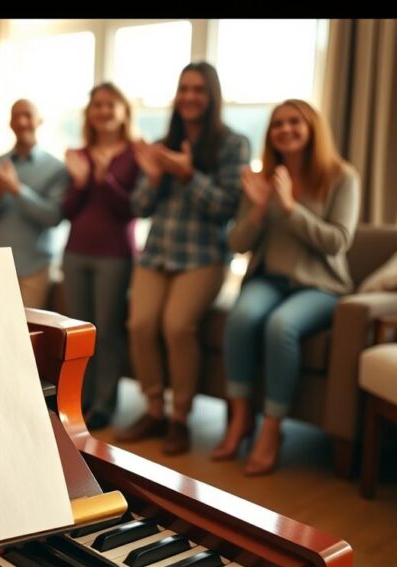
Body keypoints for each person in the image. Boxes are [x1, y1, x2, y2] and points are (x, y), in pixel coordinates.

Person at [213, 100, 360, 475]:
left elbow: (337, 242)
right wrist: (261, 208)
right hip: (269, 280)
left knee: (282, 326)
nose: (285, 129)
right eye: (277, 123)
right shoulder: (260, 179)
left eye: (294, 122)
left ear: (311, 127)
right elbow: (237, 244)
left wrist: (292, 208)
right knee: (241, 318)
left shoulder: (342, 177)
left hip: (321, 287)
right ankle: (241, 419)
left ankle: (272, 428)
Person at [115, 62, 250, 455]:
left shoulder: (233, 145)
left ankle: (180, 418)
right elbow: (139, 207)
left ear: (211, 97)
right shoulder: (163, 143)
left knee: (176, 326)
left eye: (198, 90)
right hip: (157, 254)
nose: (190, 97)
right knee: (139, 324)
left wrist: (189, 175)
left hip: (204, 257)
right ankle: (154, 409)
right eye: (184, 89)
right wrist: (156, 176)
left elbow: (226, 207)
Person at [60, 83, 141, 430]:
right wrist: (80, 183)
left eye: (111, 105)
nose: (104, 111)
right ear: (89, 113)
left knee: (106, 331)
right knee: (78, 332)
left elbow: (131, 210)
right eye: (97, 105)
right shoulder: (78, 154)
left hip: (115, 255)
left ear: (124, 111)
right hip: (76, 251)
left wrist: (105, 179)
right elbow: (67, 210)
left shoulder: (135, 155)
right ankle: (81, 399)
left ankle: (106, 403)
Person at [0, 99, 68, 308]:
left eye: (28, 115)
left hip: (35, 266)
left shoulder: (57, 168)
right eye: (16, 116)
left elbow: (53, 217)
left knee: (27, 335)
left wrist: (17, 190)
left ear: (39, 121)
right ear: (10, 123)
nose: (22, 121)